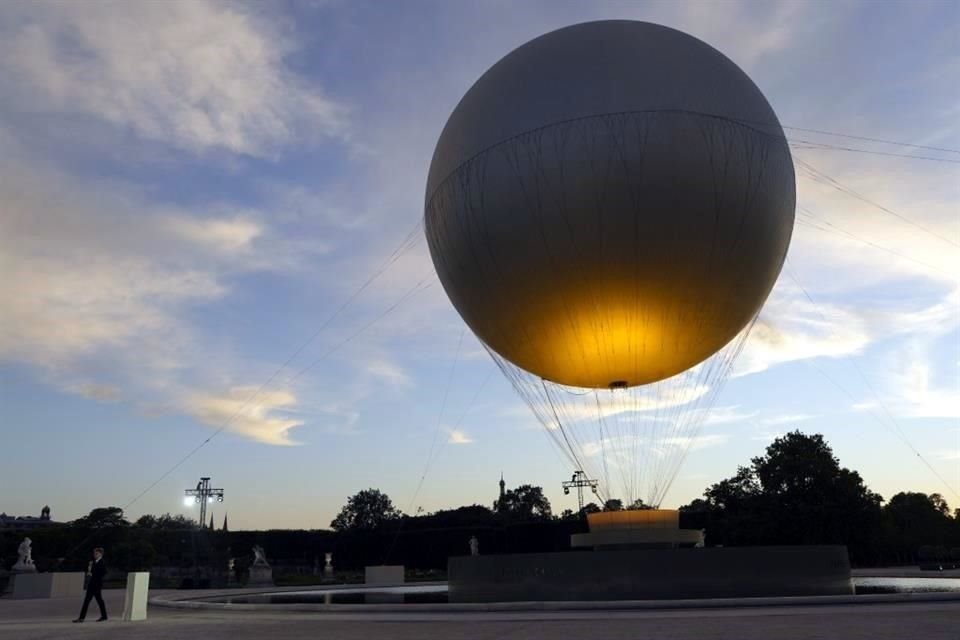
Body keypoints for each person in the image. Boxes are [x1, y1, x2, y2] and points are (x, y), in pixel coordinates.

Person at [73, 547, 107, 623]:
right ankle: (82, 618)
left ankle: (82, 618)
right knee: (90, 601)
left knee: (97, 601)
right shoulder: (93, 562)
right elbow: (90, 571)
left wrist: (94, 573)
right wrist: (90, 570)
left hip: (97, 585)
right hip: (92, 584)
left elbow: (103, 573)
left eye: (96, 553)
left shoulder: (102, 562)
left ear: (101, 554)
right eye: (94, 553)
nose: (95, 555)